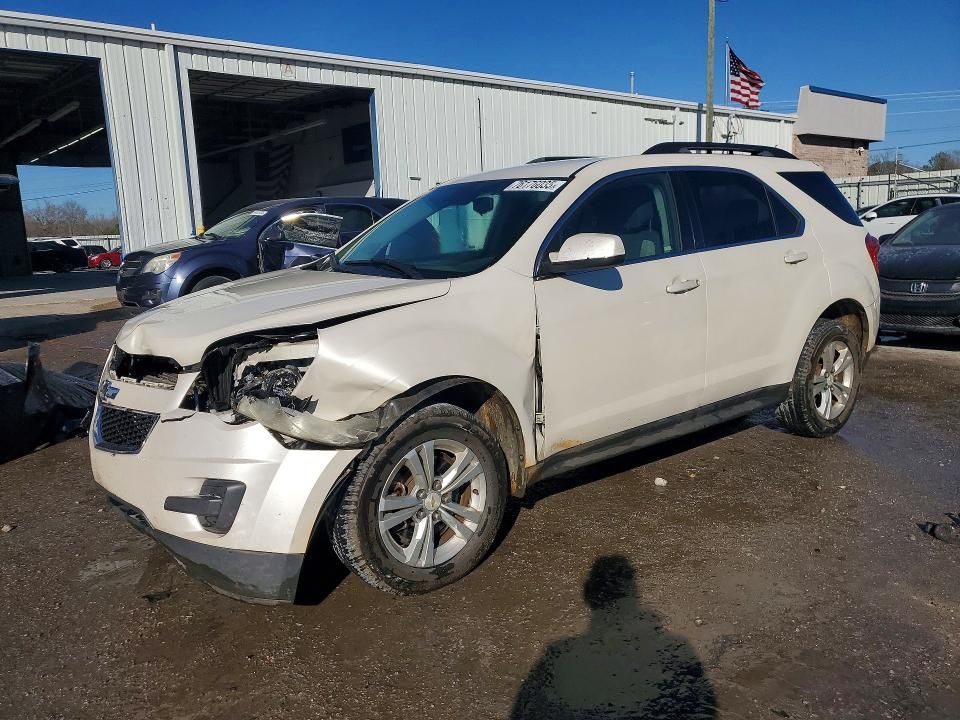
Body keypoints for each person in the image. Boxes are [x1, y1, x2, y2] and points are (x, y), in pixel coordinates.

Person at [511, 555, 717, 719]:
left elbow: (523, 710)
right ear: (634, 595)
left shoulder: (559, 653)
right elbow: (703, 707)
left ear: (588, 595)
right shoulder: (675, 648)